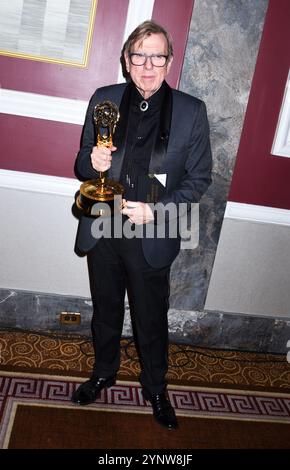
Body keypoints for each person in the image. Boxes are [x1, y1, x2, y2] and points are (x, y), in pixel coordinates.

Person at [72, 20, 212, 430]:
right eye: (139, 55)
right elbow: (82, 161)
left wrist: (159, 210)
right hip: (103, 226)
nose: (147, 65)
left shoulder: (191, 110)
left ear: (169, 62)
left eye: (157, 56)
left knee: (151, 316)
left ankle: (155, 387)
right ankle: (103, 372)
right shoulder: (105, 99)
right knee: (106, 309)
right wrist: (91, 162)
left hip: (152, 231)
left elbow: (199, 178)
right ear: (126, 61)